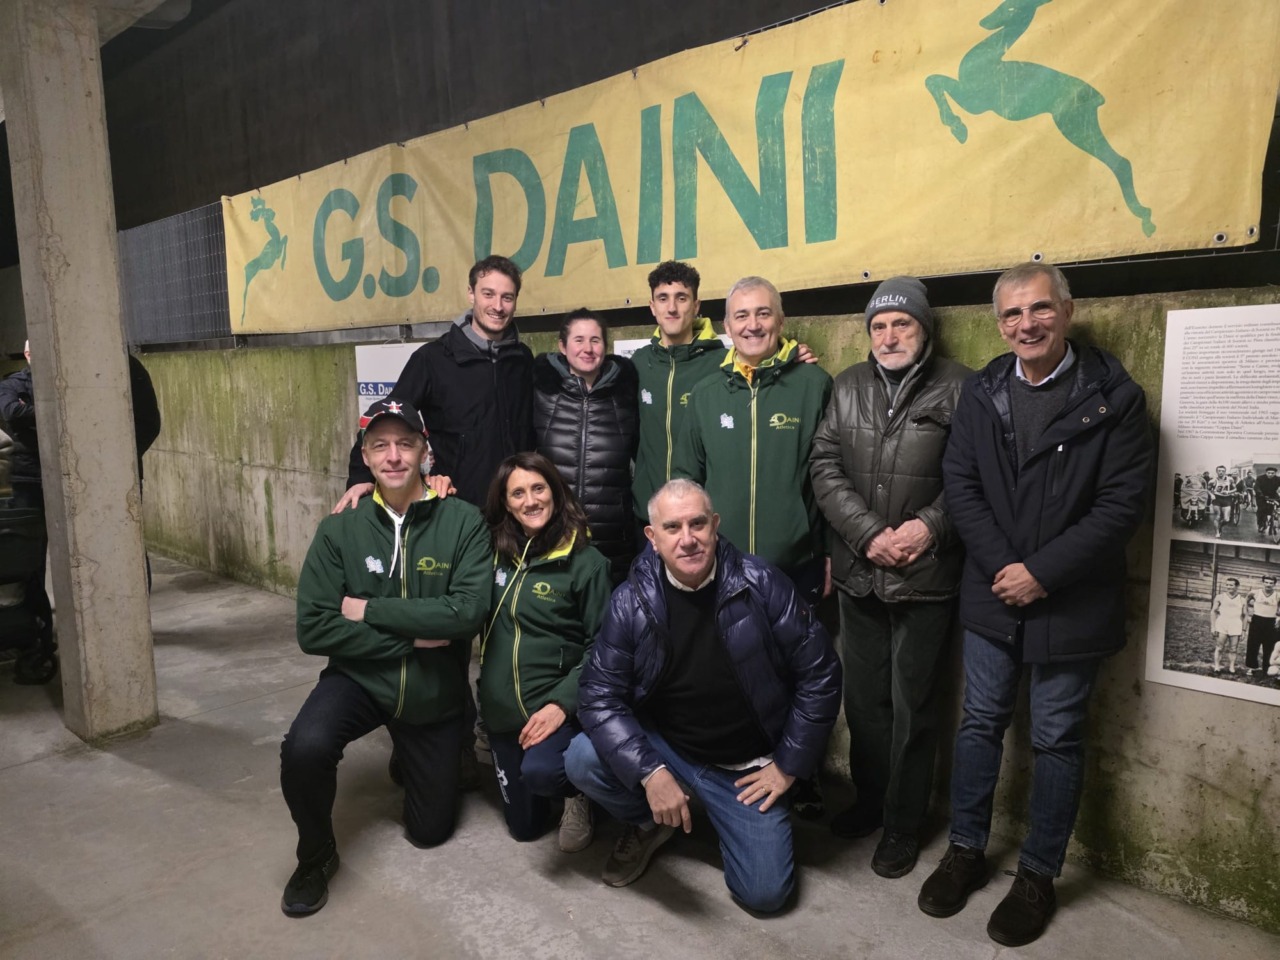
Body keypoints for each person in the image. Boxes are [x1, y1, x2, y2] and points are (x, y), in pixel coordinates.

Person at [923, 262, 1151, 947]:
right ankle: (965, 850)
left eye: (1040, 309)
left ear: (1068, 310)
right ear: (1000, 323)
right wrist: (1006, 569)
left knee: (1057, 738)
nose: (1027, 324)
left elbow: (1120, 507)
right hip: (995, 594)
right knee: (979, 726)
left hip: (1072, 602)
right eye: (1012, 314)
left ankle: (1038, 875)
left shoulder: (1116, 397)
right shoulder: (984, 391)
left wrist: (1042, 574)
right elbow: (960, 485)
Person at [565, 479, 841, 914]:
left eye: (697, 524)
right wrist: (650, 772)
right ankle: (649, 821)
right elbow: (599, 696)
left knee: (765, 896)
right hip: (669, 749)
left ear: (714, 526)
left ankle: (709, 812)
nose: (688, 539)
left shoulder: (761, 583)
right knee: (581, 757)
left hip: (744, 769)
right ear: (652, 539)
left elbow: (820, 674)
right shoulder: (630, 602)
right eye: (672, 528)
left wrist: (789, 765)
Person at [280, 398, 490, 916]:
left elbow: (465, 615)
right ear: (366, 457)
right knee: (303, 748)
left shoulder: (462, 521)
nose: (394, 456)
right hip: (360, 680)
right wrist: (410, 636)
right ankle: (315, 855)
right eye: (380, 446)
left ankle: (413, 748)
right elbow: (313, 627)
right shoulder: (341, 526)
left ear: (425, 451)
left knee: (429, 833)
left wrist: (366, 609)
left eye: (405, 444)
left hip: (432, 690)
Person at [810, 276, 970, 878]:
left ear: (924, 329)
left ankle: (904, 823)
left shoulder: (960, 387)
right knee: (865, 701)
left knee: (914, 704)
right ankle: (871, 802)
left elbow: (974, 479)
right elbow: (824, 464)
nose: (889, 335)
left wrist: (927, 528)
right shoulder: (847, 385)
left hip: (926, 576)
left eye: (901, 323)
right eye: (878, 326)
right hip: (859, 572)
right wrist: (868, 533)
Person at [477, 452, 613, 849]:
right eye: (517, 493)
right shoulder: (491, 554)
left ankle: (579, 792)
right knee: (525, 829)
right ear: (505, 502)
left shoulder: (587, 564)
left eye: (539, 488)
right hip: (502, 715)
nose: (530, 501)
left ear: (556, 492)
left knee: (543, 772)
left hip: (553, 711)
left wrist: (561, 704)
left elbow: (604, 649)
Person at [673, 276, 833, 608]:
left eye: (763, 313)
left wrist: (831, 553)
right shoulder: (705, 394)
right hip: (720, 566)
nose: (753, 325)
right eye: (742, 316)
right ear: (727, 327)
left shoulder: (815, 385)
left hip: (799, 567)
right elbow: (685, 481)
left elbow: (834, 478)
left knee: (797, 659)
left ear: (780, 320)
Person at [335, 255, 534, 511]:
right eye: (488, 294)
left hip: (516, 507)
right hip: (457, 507)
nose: (498, 306)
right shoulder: (433, 359)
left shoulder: (522, 359)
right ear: (471, 294)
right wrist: (361, 477)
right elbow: (383, 417)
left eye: (507, 297)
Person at [533, 309, 639, 582]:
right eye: (578, 340)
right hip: (552, 532)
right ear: (562, 346)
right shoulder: (540, 390)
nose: (588, 349)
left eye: (595, 340)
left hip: (614, 540)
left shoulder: (627, 392)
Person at [630, 261, 726, 542]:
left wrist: (794, 354)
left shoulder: (723, 363)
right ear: (652, 306)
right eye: (663, 298)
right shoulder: (637, 364)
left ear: (696, 306)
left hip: (700, 520)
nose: (672, 308)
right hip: (648, 515)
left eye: (681, 298)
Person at [0, 341, 41, 510]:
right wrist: (47, 411)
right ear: (27, 355)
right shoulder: (12, 384)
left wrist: (28, 410)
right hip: (26, 471)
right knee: (28, 528)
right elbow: (12, 411)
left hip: (55, 467)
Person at [1244, 574, 1280, 677]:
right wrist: (1248, 615)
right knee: (1253, 644)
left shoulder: (1278, 595)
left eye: (1271, 583)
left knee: (1269, 646)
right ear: (1263, 582)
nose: (1268, 585)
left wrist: (1278, 618)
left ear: (1274, 584)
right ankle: (1251, 667)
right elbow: (1245, 602)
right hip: (1257, 620)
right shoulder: (1254, 593)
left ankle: (1267, 667)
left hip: (1271, 622)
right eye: (1266, 582)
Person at [1211, 577, 1247, 674]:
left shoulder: (1242, 599)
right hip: (1222, 624)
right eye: (1227, 585)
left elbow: (1245, 615)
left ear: (1237, 586)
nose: (1228, 587)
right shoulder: (1220, 597)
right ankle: (1217, 666)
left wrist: (1244, 630)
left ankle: (1232, 667)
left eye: (1231, 585)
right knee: (1219, 647)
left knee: (1233, 648)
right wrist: (1213, 627)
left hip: (1236, 625)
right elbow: (1213, 612)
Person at [1208, 465, 1237, 539]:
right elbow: (1207, 489)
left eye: (1223, 471)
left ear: (1225, 472)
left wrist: (1228, 492)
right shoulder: (1212, 481)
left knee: (1226, 519)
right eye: (1219, 471)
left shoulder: (1230, 479)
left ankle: (1220, 526)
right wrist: (1211, 495)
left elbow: (1235, 489)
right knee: (1218, 516)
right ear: (1217, 471)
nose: (1221, 472)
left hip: (1227, 499)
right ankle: (1217, 532)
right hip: (1217, 499)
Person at [1255, 466, 1279, 534]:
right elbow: (1256, 487)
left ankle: (1275, 519)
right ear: (1266, 473)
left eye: (1272, 473)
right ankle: (1261, 525)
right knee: (1261, 510)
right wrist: (1260, 494)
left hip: (1273, 495)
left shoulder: (1278, 479)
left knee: (1276, 508)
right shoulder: (1260, 478)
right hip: (1261, 495)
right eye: (1269, 473)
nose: (1270, 475)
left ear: (1275, 473)